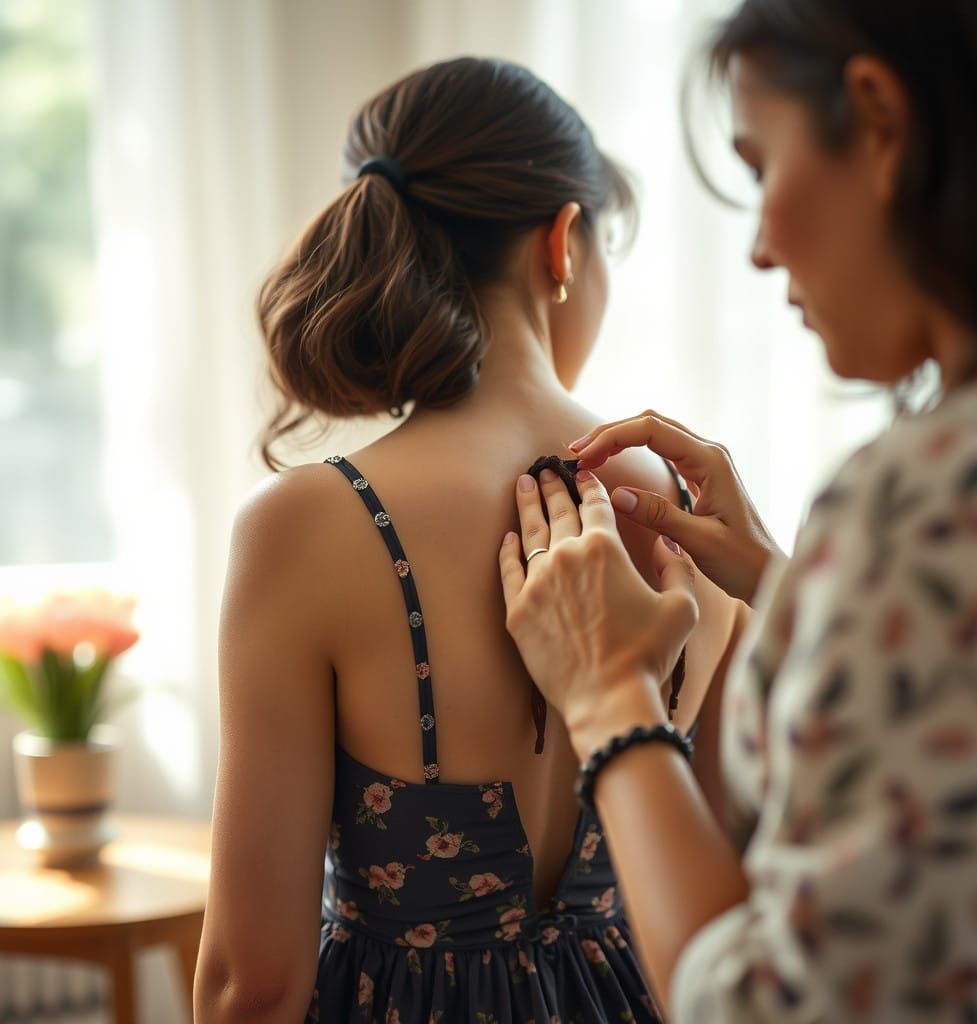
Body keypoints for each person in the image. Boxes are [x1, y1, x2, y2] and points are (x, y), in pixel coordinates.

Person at [498, 1, 977, 1021]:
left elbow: (775, 1005)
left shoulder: (925, 498)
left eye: (759, 168)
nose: (758, 250)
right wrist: (794, 588)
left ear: (877, 123)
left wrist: (610, 693)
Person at [193, 57, 745, 1023]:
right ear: (564, 242)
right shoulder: (697, 512)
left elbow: (255, 986)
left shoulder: (303, 528)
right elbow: (732, 899)